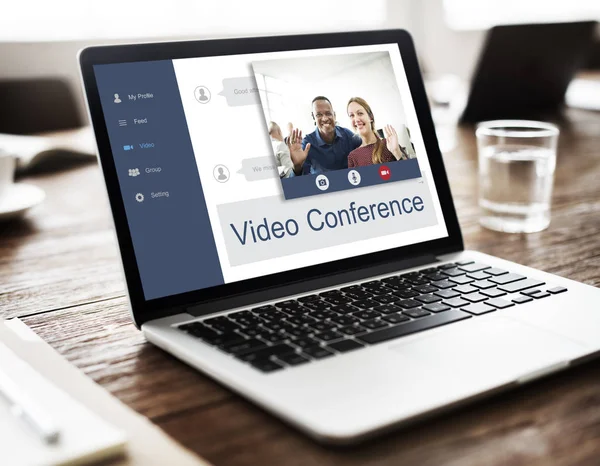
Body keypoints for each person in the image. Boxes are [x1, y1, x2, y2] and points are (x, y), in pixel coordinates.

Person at [287, 96, 361, 176]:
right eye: (319, 115)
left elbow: (366, 146)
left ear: (334, 115)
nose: (325, 119)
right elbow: (297, 183)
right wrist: (297, 167)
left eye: (328, 113)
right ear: (313, 118)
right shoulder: (307, 144)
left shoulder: (347, 135)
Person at [346, 97, 411, 168]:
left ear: (371, 117)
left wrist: (396, 152)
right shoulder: (353, 157)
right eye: (351, 115)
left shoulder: (389, 144)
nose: (356, 119)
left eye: (360, 113)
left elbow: (411, 172)